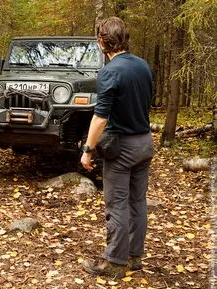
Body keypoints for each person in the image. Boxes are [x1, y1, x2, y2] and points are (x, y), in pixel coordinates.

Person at [80, 17, 154, 277]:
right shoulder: (143, 66)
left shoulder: (110, 71)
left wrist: (88, 149)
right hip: (145, 142)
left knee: (117, 203)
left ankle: (114, 263)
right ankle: (134, 257)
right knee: (137, 201)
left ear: (102, 41)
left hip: (123, 147)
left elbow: (100, 117)